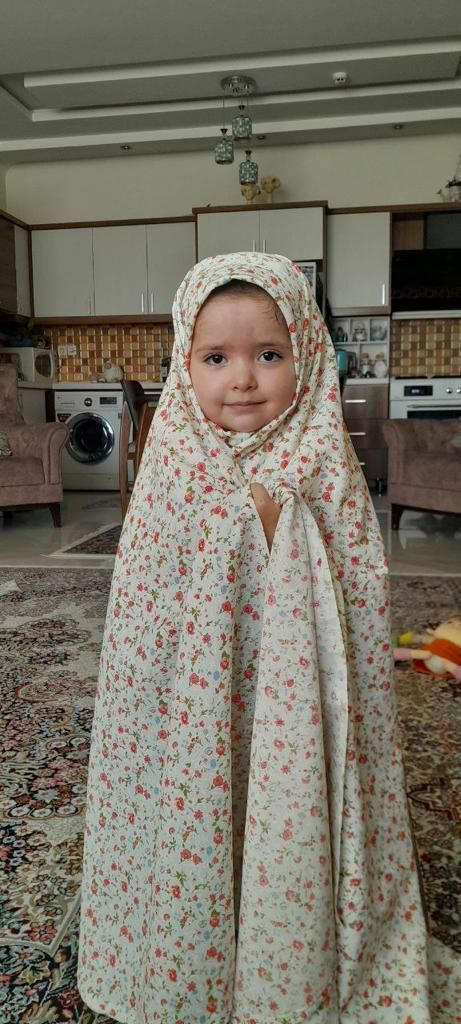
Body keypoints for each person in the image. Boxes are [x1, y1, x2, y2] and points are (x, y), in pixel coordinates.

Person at [78, 252, 458, 1023]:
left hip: (294, 705)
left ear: (308, 356)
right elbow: (145, 605)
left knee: (286, 808)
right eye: (215, 358)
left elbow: (351, 594)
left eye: (269, 355)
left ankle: (290, 944)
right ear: (185, 363)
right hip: (191, 705)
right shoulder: (172, 462)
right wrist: (234, 520)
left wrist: (283, 519)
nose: (243, 380)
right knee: (194, 799)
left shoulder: (323, 460)